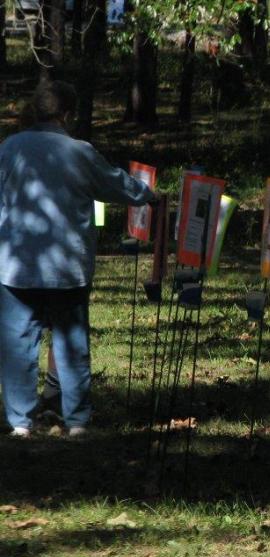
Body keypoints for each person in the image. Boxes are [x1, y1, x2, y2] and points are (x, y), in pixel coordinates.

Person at [0, 81, 155, 437]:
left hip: (15, 266)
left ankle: (19, 422)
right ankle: (77, 421)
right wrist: (148, 194)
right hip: (66, 267)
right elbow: (116, 184)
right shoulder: (79, 151)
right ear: (67, 115)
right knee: (71, 344)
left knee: (18, 346)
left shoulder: (9, 148)